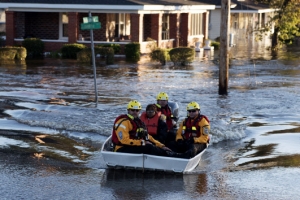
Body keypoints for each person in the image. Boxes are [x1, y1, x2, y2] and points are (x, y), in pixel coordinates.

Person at [111, 100, 187, 158]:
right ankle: (171, 156)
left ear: (139, 111)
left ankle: (168, 152)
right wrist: (142, 143)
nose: (134, 112)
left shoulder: (138, 122)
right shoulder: (123, 122)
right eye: (132, 110)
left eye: (137, 110)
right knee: (148, 147)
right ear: (128, 110)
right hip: (121, 148)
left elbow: (147, 136)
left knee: (153, 144)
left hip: (132, 145)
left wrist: (161, 145)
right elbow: (124, 140)